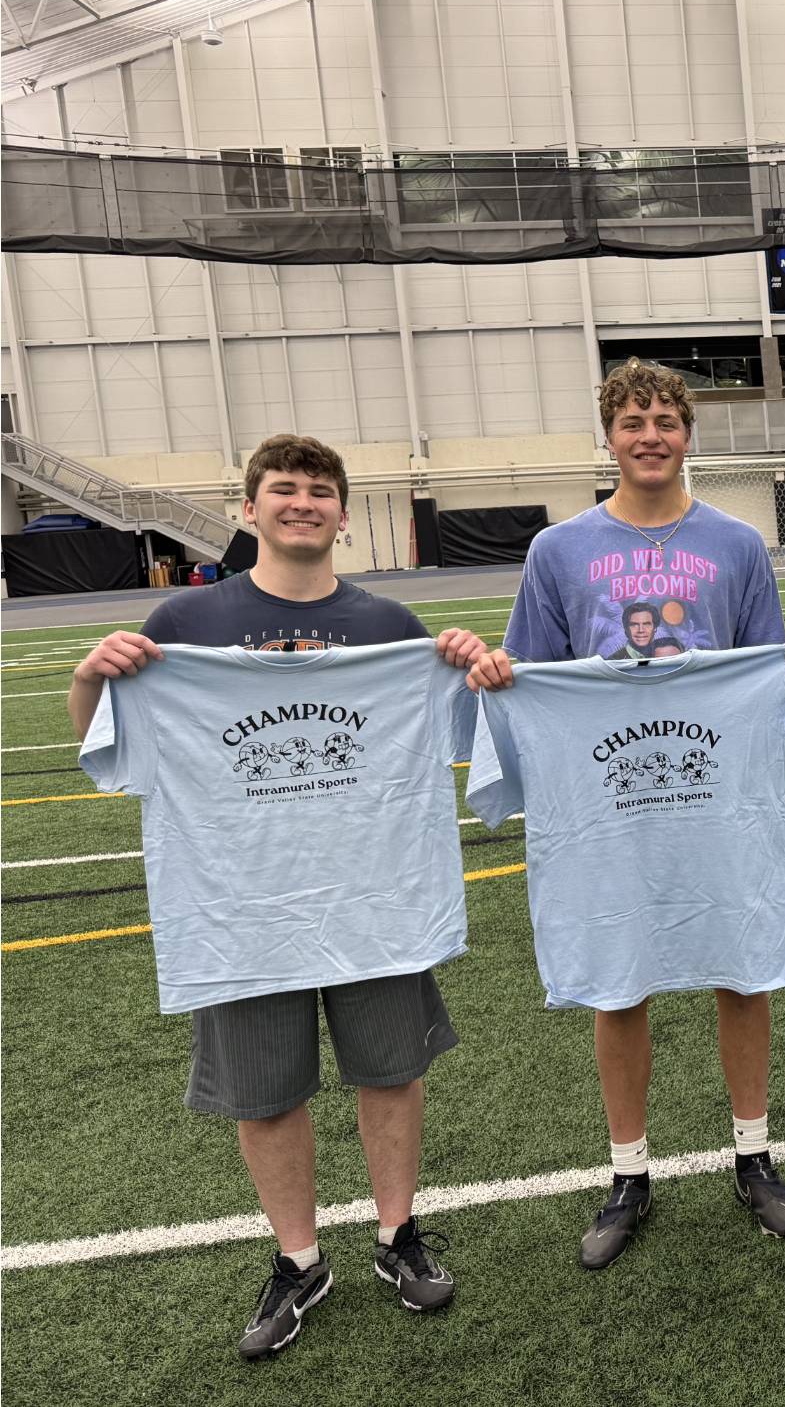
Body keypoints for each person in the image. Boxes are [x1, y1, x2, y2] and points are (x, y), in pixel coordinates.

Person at [66, 433, 486, 1361]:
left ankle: (396, 1235)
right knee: (264, 1095)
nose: (304, 503)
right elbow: (105, 749)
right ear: (249, 509)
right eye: (284, 489)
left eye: (321, 491)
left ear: (342, 512)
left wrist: (464, 665)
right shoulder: (182, 622)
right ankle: (298, 1259)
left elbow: (460, 735)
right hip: (240, 905)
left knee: (392, 1071)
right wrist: (93, 675)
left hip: (375, 898)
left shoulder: (390, 629)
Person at [467, 359, 785, 1265]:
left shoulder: (738, 544)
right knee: (619, 974)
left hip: (715, 794)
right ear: (609, 435)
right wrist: (502, 677)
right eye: (633, 420)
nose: (650, 434)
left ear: (687, 432)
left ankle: (753, 1154)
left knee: (740, 965)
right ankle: (629, 1172)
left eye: (666, 418)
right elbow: (532, 675)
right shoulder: (559, 550)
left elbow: (756, 676)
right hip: (610, 799)